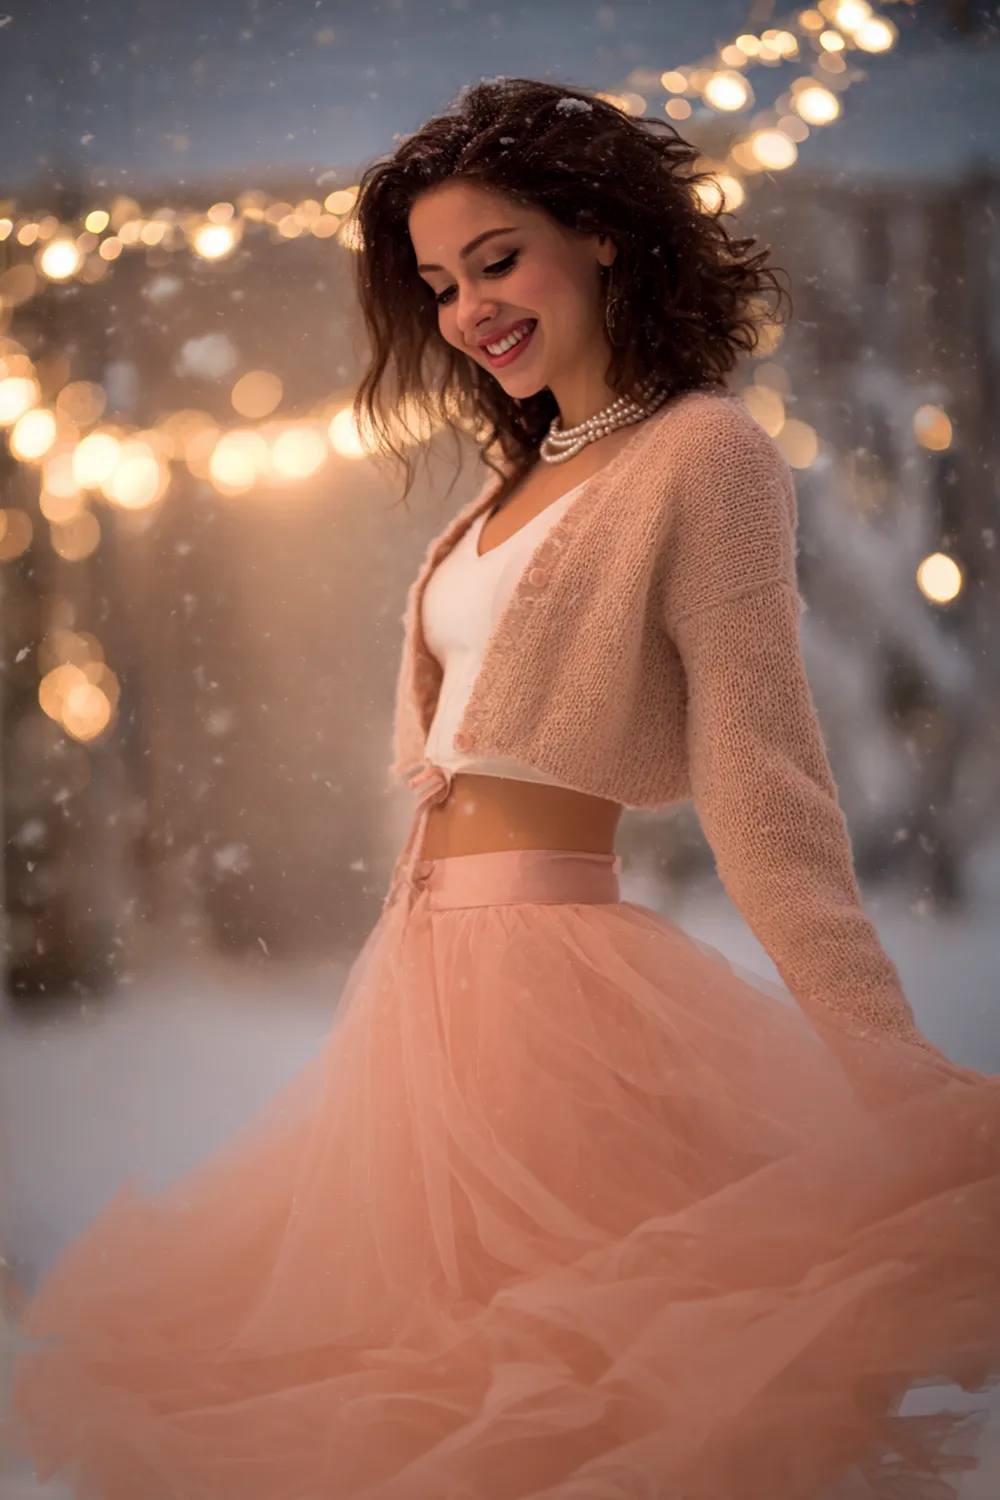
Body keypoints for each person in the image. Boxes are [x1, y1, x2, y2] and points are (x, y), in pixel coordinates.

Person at [8, 77, 1000, 1500]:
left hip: (558, 997)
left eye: (497, 260)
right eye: (436, 284)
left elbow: (762, 781)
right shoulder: (508, 475)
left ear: (600, 234)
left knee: (562, 1405)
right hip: (421, 992)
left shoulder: (703, 454)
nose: (470, 310)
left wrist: (883, 1066)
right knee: (414, 1401)